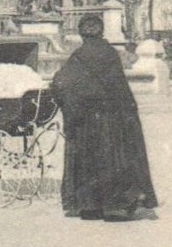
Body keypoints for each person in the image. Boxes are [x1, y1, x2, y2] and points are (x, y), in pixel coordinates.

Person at [51, 13, 158, 221]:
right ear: (101, 32)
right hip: (111, 119)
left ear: (82, 33)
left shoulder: (78, 56)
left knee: (87, 160)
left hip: (86, 121)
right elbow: (120, 87)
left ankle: (90, 206)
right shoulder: (110, 54)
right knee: (113, 158)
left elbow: (62, 83)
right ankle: (114, 205)